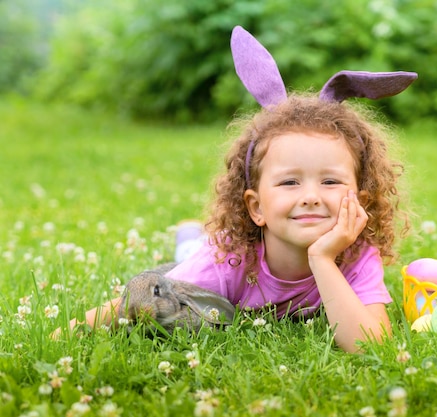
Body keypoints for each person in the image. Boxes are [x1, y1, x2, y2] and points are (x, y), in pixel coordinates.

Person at [58, 26, 417, 353]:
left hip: (289, 258)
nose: (310, 195)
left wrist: (323, 259)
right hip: (205, 261)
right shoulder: (228, 258)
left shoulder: (356, 255)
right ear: (256, 206)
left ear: (361, 201)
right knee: (182, 267)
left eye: (330, 181)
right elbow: (139, 300)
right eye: (290, 182)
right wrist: (65, 333)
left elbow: (371, 347)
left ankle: (190, 236)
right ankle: (189, 236)